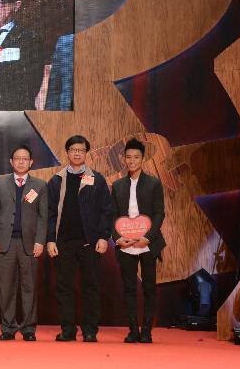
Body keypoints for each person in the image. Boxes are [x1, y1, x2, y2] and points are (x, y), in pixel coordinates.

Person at [46, 135, 114, 342]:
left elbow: (106, 211)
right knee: (64, 287)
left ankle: (90, 330)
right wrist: (50, 239)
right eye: (73, 150)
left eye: (81, 150)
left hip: (90, 243)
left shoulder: (98, 179)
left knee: (91, 287)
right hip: (63, 242)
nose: (77, 153)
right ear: (67, 153)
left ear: (86, 153)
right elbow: (49, 213)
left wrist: (104, 237)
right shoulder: (56, 180)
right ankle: (67, 330)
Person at [0, 145, 48, 341]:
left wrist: (40, 241)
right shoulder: (1, 183)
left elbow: (43, 217)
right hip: (5, 242)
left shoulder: (40, 185)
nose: (21, 161)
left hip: (29, 244)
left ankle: (29, 328)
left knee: (29, 287)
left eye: (25, 158)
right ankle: (8, 328)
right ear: (11, 162)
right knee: (6, 287)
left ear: (31, 162)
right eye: (17, 158)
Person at [111, 138, 166, 344]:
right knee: (129, 288)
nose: (132, 160)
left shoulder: (154, 183)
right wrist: (118, 238)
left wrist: (147, 238)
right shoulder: (117, 185)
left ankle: (147, 331)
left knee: (150, 287)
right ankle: (133, 330)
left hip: (147, 243)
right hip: (125, 245)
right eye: (128, 157)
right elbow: (112, 215)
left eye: (136, 157)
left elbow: (160, 214)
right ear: (124, 159)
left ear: (143, 159)